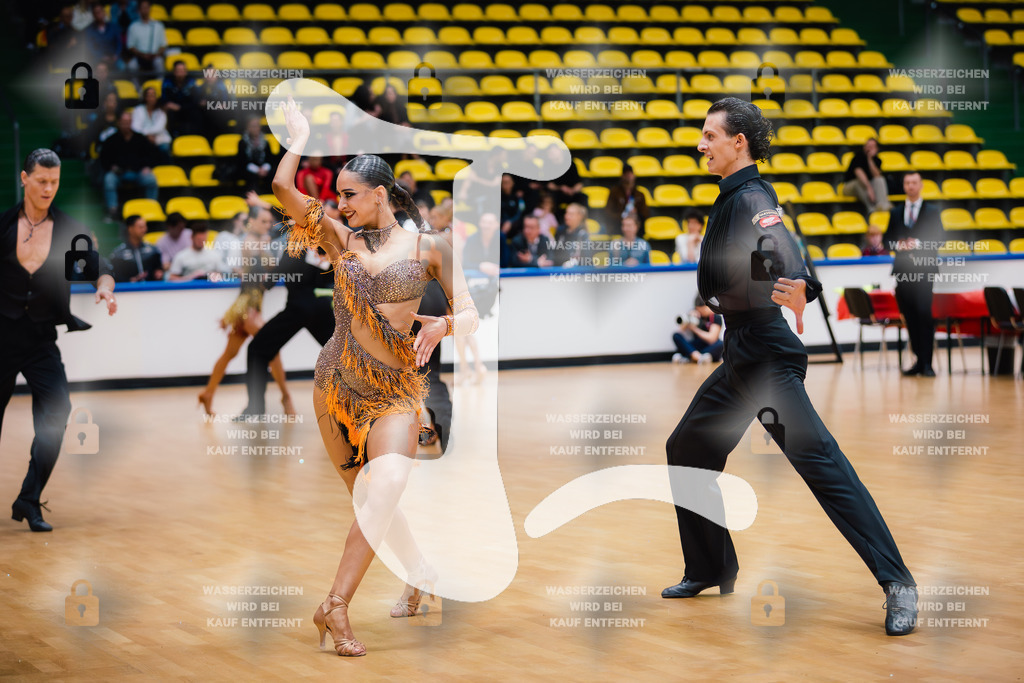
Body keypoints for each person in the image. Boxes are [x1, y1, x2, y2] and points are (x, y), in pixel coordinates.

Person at [662, 98, 918, 637]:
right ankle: (711, 567)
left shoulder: (750, 195)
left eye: (711, 135)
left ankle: (898, 583)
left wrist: (800, 283)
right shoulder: (733, 195)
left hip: (768, 358)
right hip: (742, 355)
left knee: (820, 463)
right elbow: (759, 254)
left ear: (740, 143)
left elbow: (777, 243)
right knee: (687, 447)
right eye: (702, 135)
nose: (701, 144)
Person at [273, 98, 479, 656]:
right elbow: (283, 190)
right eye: (337, 195)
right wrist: (300, 138)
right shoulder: (340, 239)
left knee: (383, 487)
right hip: (335, 387)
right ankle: (418, 571)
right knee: (372, 503)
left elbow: (473, 311)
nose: (339, 203)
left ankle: (334, 606)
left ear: (379, 194)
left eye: (348, 194)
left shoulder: (430, 247)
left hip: (394, 392)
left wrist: (443, 326)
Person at [0, 149, 118, 532]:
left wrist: (105, 289)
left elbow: (101, 269)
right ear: (24, 178)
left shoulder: (68, 230)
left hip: (39, 340)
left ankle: (29, 499)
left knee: (56, 415)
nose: (49, 188)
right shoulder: (3, 226)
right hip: (1, 335)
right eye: (41, 181)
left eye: (55, 181)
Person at [197, 207, 294, 416]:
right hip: (248, 307)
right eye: (263, 221)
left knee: (229, 354)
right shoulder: (251, 243)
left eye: (269, 222)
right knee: (271, 350)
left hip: (248, 305)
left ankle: (208, 393)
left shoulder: (255, 242)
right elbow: (267, 266)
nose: (268, 225)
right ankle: (286, 396)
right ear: (252, 222)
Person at [887, 170, 943, 377]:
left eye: (914, 182)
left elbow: (939, 239)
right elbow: (886, 240)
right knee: (909, 316)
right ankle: (918, 360)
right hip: (902, 270)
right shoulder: (896, 212)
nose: (911, 186)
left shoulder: (932, 212)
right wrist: (898, 244)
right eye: (907, 182)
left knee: (923, 313)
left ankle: (928, 363)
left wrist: (919, 244)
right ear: (904, 186)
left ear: (920, 185)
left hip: (924, 270)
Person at [99, 110, 159, 220]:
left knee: (151, 179)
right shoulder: (111, 140)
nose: (126, 124)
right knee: (108, 179)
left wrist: (147, 167)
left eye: (128, 121)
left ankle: (152, 207)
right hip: (119, 174)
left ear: (132, 122)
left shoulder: (140, 138)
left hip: (138, 172)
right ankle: (112, 211)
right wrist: (111, 167)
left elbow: (150, 155)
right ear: (119, 122)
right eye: (124, 121)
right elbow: (104, 159)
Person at [108, 214, 163, 282]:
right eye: (140, 227)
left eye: (145, 226)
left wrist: (159, 273)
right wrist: (130, 280)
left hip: (151, 290)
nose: (144, 229)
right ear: (130, 229)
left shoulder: (153, 250)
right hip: (128, 290)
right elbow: (114, 276)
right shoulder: (118, 254)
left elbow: (158, 269)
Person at [843, 138, 890, 213]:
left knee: (880, 180)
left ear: (877, 149)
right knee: (859, 183)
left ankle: (883, 205)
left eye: (872, 147)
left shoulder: (877, 160)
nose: (869, 149)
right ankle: (871, 209)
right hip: (849, 187)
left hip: (867, 186)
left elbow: (877, 175)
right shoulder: (858, 156)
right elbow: (858, 172)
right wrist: (869, 188)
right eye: (867, 146)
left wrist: (870, 159)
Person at [671, 295, 723, 364]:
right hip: (697, 346)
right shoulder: (695, 314)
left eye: (703, 310)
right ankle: (698, 357)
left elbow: (712, 339)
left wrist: (694, 329)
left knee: (720, 344)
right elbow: (680, 332)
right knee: (676, 336)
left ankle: (689, 357)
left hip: (708, 346)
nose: (701, 312)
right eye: (699, 310)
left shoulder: (715, 317)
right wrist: (688, 319)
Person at [235, 116, 277, 193]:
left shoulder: (265, 141)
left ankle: (271, 196)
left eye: (258, 126)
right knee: (250, 176)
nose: (256, 128)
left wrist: (264, 168)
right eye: (253, 126)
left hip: (264, 168)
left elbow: (270, 159)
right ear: (248, 128)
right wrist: (257, 170)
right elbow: (242, 162)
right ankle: (253, 198)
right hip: (249, 169)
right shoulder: (242, 142)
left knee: (274, 173)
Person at [124, 0, 166, 74]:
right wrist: (142, 55)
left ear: (150, 8)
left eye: (147, 7)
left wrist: (157, 54)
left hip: (155, 57)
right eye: (143, 8)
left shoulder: (158, 25)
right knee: (131, 65)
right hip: (139, 57)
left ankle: (160, 84)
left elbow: (163, 45)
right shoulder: (133, 27)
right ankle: (135, 86)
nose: (145, 10)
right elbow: (130, 46)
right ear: (139, 10)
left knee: (159, 62)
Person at [160, 60, 200, 136]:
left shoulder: (191, 82)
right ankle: (171, 137)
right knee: (167, 112)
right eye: (178, 71)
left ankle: (195, 136)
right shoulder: (167, 82)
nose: (180, 73)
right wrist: (169, 104)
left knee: (196, 112)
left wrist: (180, 107)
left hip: (187, 109)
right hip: (173, 111)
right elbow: (164, 98)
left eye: (182, 71)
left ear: (186, 72)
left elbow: (196, 100)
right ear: (174, 72)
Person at [131, 86, 171, 154]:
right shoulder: (138, 110)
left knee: (164, 148)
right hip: (142, 138)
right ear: (145, 97)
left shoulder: (161, 111)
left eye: (153, 96)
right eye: (149, 96)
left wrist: (148, 134)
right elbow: (135, 127)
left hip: (158, 138)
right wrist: (147, 136)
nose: (151, 98)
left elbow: (160, 128)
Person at [552, 202, 591, 267]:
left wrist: (573, 263)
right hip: (559, 269)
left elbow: (587, 259)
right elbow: (554, 253)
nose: (567, 216)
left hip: (577, 271)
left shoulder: (583, 234)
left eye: (571, 214)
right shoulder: (560, 231)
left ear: (579, 216)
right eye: (566, 213)